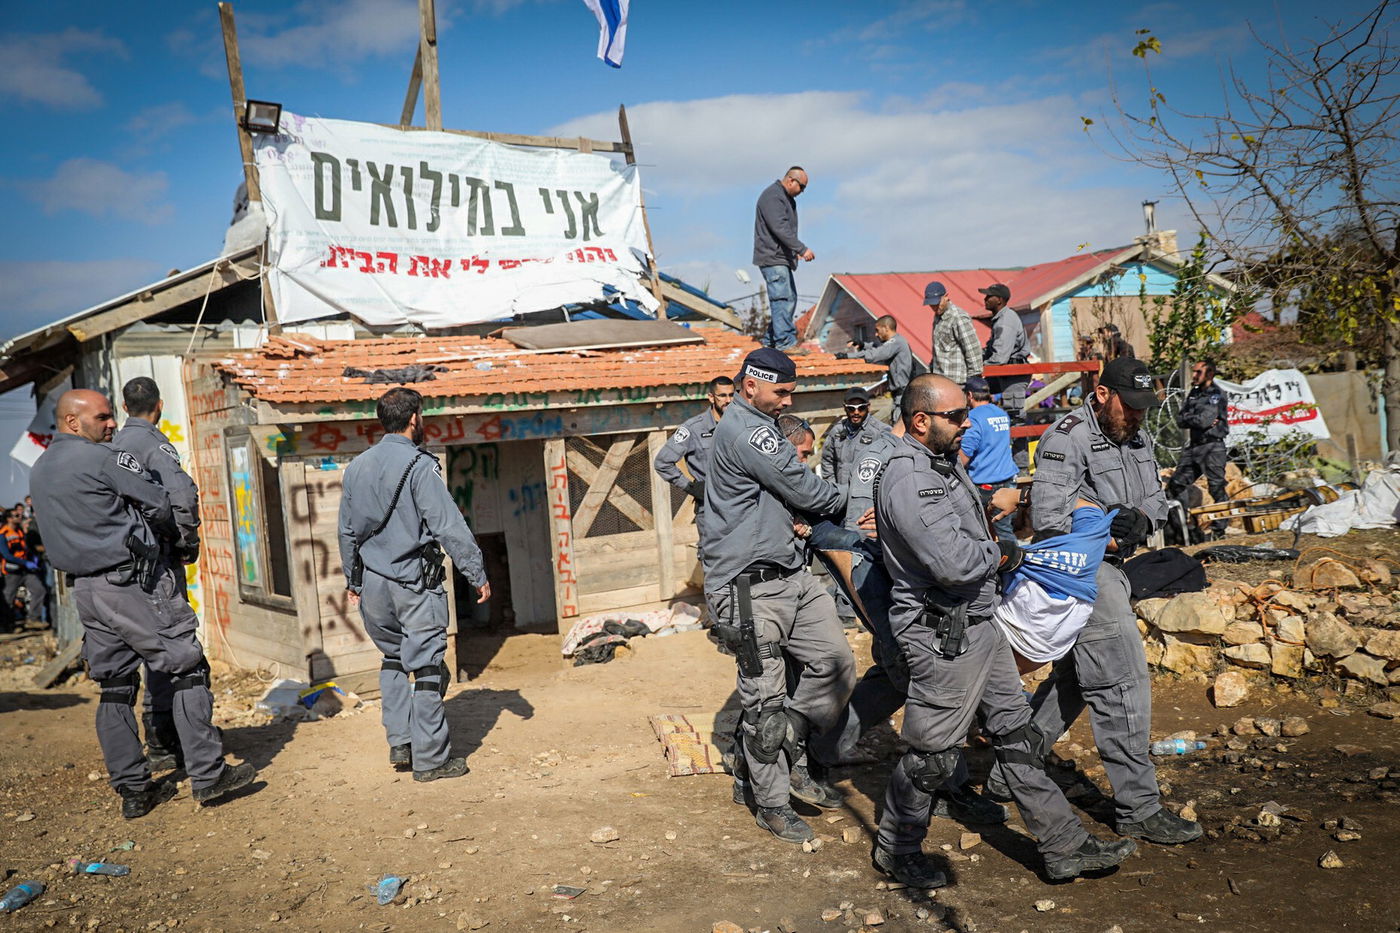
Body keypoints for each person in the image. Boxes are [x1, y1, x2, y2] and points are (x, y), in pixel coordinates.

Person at [870, 374, 1136, 887]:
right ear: (921, 420)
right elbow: (953, 562)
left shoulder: (942, 463)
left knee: (1017, 735)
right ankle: (897, 849)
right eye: (956, 417)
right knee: (931, 756)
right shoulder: (910, 475)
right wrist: (1005, 553)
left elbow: (967, 531)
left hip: (978, 621)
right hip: (943, 635)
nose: (967, 424)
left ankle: (1064, 844)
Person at [986, 357, 1202, 846]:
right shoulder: (1068, 437)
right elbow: (1049, 518)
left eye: (1145, 407)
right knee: (1122, 681)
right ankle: (1139, 807)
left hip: (1115, 567)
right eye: (1131, 405)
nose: (1139, 415)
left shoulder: (1137, 434)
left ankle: (1009, 770)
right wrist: (1104, 525)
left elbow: (1155, 498)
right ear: (1103, 394)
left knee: (1075, 681)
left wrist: (1142, 519)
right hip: (1081, 570)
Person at [30, 390, 255, 819]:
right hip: (133, 584)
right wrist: (177, 543)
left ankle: (134, 791)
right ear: (73, 422)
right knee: (188, 668)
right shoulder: (103, 459)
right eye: (102, 417)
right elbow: (160, 502)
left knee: (115, 686)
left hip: (86, 591)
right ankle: (208, 775)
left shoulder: (40, 469)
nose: (112, 423)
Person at [703, 348, 855, 844]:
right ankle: (770, 802)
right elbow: (805, 489)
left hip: (792, 574)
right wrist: (851, 501)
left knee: (836, 663)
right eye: (781, 392)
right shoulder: (748, 429)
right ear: (750, 386)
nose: (788, 401)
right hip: (747, 587)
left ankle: (782, 752)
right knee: (765, 704)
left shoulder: (762, 425)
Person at [339, 387, 491, 782]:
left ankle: (401, 743)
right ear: (413, 419)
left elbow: (347, 532)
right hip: (414, 584)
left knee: (392, 658)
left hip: (373, 586)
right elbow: (448, 525)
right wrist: (476, 573)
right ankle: (431, 760)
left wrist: (353, 579)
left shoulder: (356, 467)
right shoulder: (420, 466)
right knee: (426, 667)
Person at [112, 377, 202, 772]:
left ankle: (159, 739)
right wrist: (186, 541)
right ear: (159, 405)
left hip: (125, 567)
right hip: (159, 560)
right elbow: (181, 496)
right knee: (179, 650)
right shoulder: (154, 444)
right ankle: (178, 745)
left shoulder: (113, 445)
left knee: (150, 651)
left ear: (123, 407)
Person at [653, 376, 734, 549]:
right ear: (711, 397)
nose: (728, 400)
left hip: (741, 504)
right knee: (713, 555)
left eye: (731, 395)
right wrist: (690, 487)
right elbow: (662, 462)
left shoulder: (741, 424)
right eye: (722, 395)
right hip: (711, 508)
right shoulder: (693, 428)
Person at [1166, 360, 1231, 540]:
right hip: (1194, 447)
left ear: (1209, 374)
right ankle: (1183, 531)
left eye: (1198, 372)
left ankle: (1218, 531)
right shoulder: (1194, 393)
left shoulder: (1216, 394)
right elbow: (1181, 420)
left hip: (1212, 447)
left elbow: (1203, 420)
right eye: (1193, 372)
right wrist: (1196, 419)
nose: (1194, 375)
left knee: (1216, 488)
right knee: (1176, 484)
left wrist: (1195, 419)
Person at [753, 167, 814, 353]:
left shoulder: (783, 198)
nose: (802, 191)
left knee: (788, 298)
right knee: (783, 299)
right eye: (802, 187)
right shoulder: (773, 197)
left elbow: (782, 231)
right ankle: (784, 342)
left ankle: (771, 340)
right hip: (773, 258)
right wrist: (801, 249)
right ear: (791, 181)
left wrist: (792, 251)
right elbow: (780, 228)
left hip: (778, 257)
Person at [959, 377, 1018, 548]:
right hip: (1008, 480)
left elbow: (964, 455)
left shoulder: (973, 418)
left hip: (985, 484)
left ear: (969, 395)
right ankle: (1014, 560)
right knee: (1004, 529)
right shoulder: (1001, 413)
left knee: (976, 530)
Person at [818, 387, 891, 495]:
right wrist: (834, 488)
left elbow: (889, 467)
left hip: (867, 496)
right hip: (841, 495)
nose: (856, 412)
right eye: (851, 408)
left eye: (861, 408)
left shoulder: (881, 432)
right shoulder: (837, 431)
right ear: (844, 407)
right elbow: (827, 461)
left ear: (868, 407)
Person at [837, 315, 915, 415]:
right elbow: (879, 347)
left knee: (898, 422)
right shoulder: (896, 342)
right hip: (900, 395)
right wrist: (863, 345)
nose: (876, 334)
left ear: (886, 328)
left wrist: (846, 356)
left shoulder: (896, 342)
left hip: (902, 396)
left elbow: (875, 354)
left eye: (878, 330)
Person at [925, 282, 982, 387]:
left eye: (937, 303)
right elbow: (938, 351)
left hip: (957, 383)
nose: (934, 307)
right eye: (931, 305)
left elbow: (972, 349)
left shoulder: (958, 317)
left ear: (946, 297)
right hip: (940, 381)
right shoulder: (937, 318)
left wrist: (974, 381)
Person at [0, 508, 46, 632]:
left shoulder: (20, 531)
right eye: (16, 515)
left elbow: (25, 549)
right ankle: (7, 625)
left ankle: (33, 619)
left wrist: (32, 558)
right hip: (12, 572)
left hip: (25, 570)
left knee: (39, 590)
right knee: (8, 599)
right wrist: (25, 562)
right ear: (9, 519)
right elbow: (6, 555)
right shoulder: (3, 534)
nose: (20, 516)